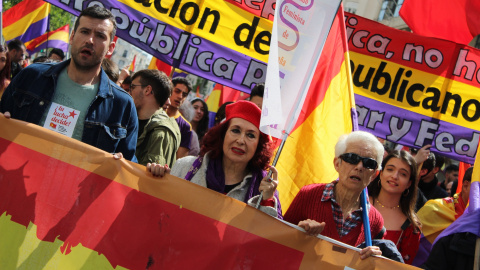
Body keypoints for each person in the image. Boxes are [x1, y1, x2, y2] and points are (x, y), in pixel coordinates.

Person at [0, 5, 138, 161]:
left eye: (100, 36)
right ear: (72, 37)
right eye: (84, 32)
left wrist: (152, 172)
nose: (90, 40)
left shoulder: (122, 105)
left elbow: (129, 165)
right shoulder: (32, 76)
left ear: (110, 48)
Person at [148, 100, 282, 218]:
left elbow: (268, 241)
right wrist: (156, 179)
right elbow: (157, 212)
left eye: (251, 135)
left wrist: (266, 201)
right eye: (235, 130)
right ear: (223, 135)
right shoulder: (185, 167)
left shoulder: (264, 188)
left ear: (259, 146)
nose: (241, 140)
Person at [284, 131, 385, 259]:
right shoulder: (308, 195)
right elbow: (280, 243)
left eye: (368, 163)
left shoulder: (375, 220)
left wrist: (374, 261)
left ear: (374, 174)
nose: (359, 167)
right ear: (337, 164)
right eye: (352, 158)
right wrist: (298, 233)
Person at [367, 150, 422, 264]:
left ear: (409, 183)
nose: (394, 176)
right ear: (381, 173)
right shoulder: (360, 202)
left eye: (403, 174)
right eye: (390, 169)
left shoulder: (411, 226)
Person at [131, 69, 180, 167]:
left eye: (132, 87)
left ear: (147, 90)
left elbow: (149, 178)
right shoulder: (131, 117)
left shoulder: (161, 132)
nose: (129, 91)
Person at [166, 77, 193, 159]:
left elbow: (179, 160)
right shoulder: (155, 111)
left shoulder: (186, 126)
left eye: (184, 95)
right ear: (170, 89)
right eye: (177, 91)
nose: (180, 96)